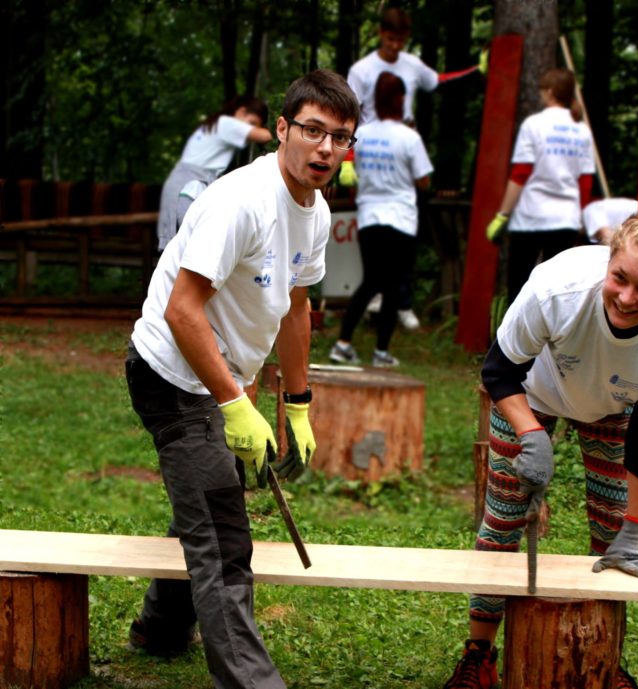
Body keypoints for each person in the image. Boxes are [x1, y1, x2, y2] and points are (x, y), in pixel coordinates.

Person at [125, 70, 359, 689]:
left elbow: (299, 306)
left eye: (340, 138)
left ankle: (158, 627)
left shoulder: (314, 213)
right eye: (312, 131)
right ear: (281, 129)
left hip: (223, 375)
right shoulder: (241, 201)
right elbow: (181, 310)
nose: (326, 149)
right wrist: (234, 403)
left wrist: (299, 404)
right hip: (169, 372)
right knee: (226, 541)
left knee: (204, 496)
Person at [443, 191, 638, 689]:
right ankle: (479, 655)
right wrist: (530, 434)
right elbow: (498, 372)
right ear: (608, 262)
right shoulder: (556, 288)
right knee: (503, 516)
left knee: (613, 530)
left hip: (613, 407)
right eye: (620, 279)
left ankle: (607, 659)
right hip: (530, 393)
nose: (627, 298)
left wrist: (635, 529)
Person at [345, 6, 485, 329]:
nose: (395, 46)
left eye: (400, 40)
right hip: (371, 153)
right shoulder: (362, 70)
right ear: (381, 34)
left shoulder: (411, 65)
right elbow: (348, 113)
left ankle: (402, 302)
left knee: (406, 234)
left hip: (403, 152)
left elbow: (440, 81)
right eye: (390, 39)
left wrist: (479, 70)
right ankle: (376, 295)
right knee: (373, 232)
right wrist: (348, 162)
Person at [329, 72, 433, 368]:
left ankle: (344, 342)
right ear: (400, 100)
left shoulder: (364, 135)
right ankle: (380, 351)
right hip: (400, 219)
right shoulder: (409, 138)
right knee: (391, 285)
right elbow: (423, 180)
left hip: (370, 217)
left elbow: (351, 171)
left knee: (371, 281)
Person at [484, 68, 596, 304]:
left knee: (519, 287)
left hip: (531, 217)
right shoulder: (582, 131)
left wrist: (502, 214)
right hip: (565, 219)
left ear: (550, 92)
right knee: (557, 292)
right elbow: (585, 181)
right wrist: (582, 218)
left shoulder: (534, 125)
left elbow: (520, 173)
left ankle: (512, 338)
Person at [156, 95, 273, 251]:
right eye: (252, 123)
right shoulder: (226, 124)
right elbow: (265, 136)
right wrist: (264, 130)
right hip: (188, 191)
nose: (250, 129)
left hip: (183, 189)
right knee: (194, 249)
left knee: (184, 250)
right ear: (241, 112)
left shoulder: (215, 126)